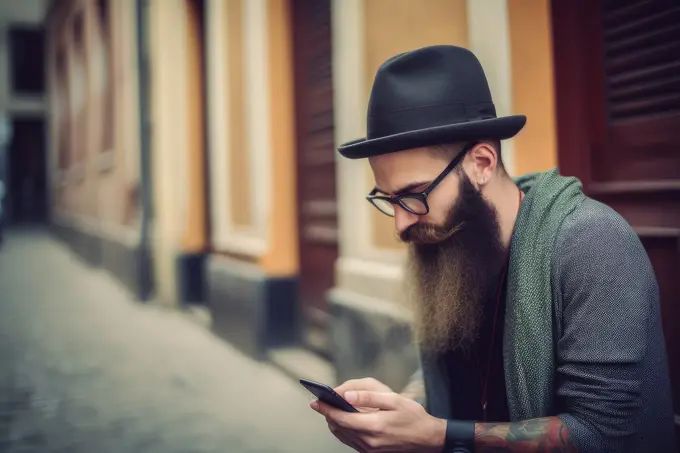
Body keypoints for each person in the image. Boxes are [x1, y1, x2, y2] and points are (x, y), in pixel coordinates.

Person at [309, 45, 676, 453]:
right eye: (389, 199)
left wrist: (434, 435)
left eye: (414, 195)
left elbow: (604, 432)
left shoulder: (592, 242)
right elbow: (446, 366)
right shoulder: (455, 240)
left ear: (482, 163)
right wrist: (399, 412)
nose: (401, 223)